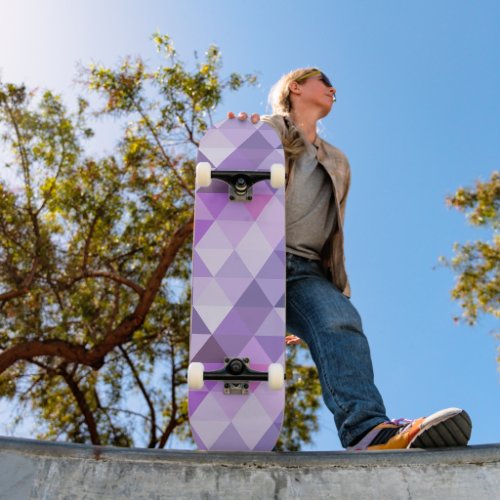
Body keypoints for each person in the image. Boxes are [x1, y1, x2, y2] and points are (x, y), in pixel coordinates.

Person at [228, 67, 472, 450]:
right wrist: (238, 138)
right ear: (295, 87)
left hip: (306, 271)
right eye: (323, 82)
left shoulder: (338, 161)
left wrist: (319, 295)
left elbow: (331, 229)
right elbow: (229, 182)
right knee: (246, 355)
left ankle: (367, 432)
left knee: (340, 320)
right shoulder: (265, 131)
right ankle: (234, 424)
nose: (332, 89)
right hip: (258, 258)